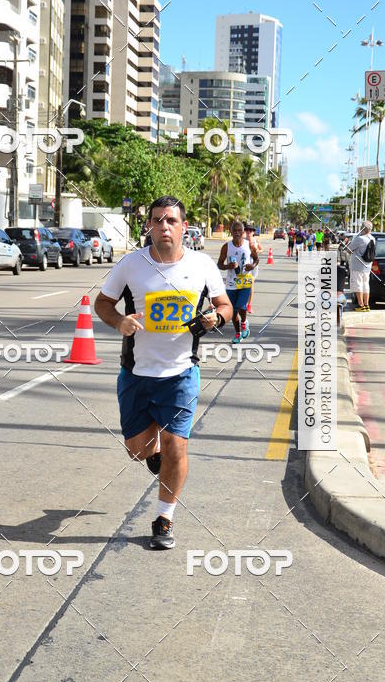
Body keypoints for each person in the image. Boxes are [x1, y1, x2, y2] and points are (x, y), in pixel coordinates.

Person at [94, 196, 232, 550]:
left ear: (184, 227)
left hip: (181, 373)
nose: (164, 226)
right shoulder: (130, 265)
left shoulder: (202, 266)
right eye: (157, 220)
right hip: (137, 373)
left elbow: (225, 306)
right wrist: (119, 321)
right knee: (137, 451)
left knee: (177, 446)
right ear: (149, 226)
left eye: (171, 220)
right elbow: (102, 303)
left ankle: (164, 518)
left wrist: (216, 318)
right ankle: (151, 448)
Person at [218, 220, 258, 343]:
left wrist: (252, 265)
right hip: (231, 283)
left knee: (241, 306)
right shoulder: (226, 247)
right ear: (231, 232)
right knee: (233, 311)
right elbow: (219, 264)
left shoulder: (249, 245)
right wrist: (228, 266)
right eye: (234, 230)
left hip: (245, 281)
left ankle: (244, 322)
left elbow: (256, 259)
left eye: (239, 230)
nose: (237, 233)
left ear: (243, 232)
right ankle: (237, 333)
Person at [347, 221, 374, 312]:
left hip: (357, 265)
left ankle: (360, 304)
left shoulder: (360, 239)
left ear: (364, 229)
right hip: (367, 266)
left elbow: (348, 249)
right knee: (366, 285)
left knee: (358, 284)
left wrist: (356, 237)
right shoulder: (372, 239)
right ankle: (366, 304)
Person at [244, 223, 263, 313]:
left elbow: (261, 249)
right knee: (243, 285)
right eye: (247, 230)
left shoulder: (256, 241)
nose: (248, 232)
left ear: (253, 232)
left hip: (253, 264)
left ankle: (249, 305)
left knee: (250, 284)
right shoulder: (242, 240)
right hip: (244, 265)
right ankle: (242, 303)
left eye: (250, 230)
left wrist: (256, 251)